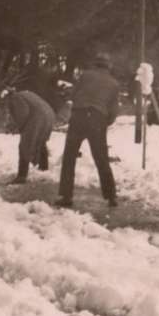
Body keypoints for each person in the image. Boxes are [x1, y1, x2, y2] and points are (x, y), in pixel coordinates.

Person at [55, 52, 119, 208]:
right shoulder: (114, 83)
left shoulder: (85, 75)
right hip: (97, 118)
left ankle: (66, 196)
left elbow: (74, 95)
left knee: (69, 157)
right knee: (101, 158)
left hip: (79, 116)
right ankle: (111, 197)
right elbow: (113, 111)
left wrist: (80, 107)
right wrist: (104, 121)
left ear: (95, 64)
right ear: (109, 66)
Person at [1, 87, 56, 184]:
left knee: (24, 145)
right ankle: (43, 170)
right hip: (49, 116)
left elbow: (23, 114)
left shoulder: (15, 98)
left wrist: (20, 127)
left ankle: (21, 176)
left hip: (38, 118)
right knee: (40, 142)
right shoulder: (25, 93)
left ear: (7, 97)